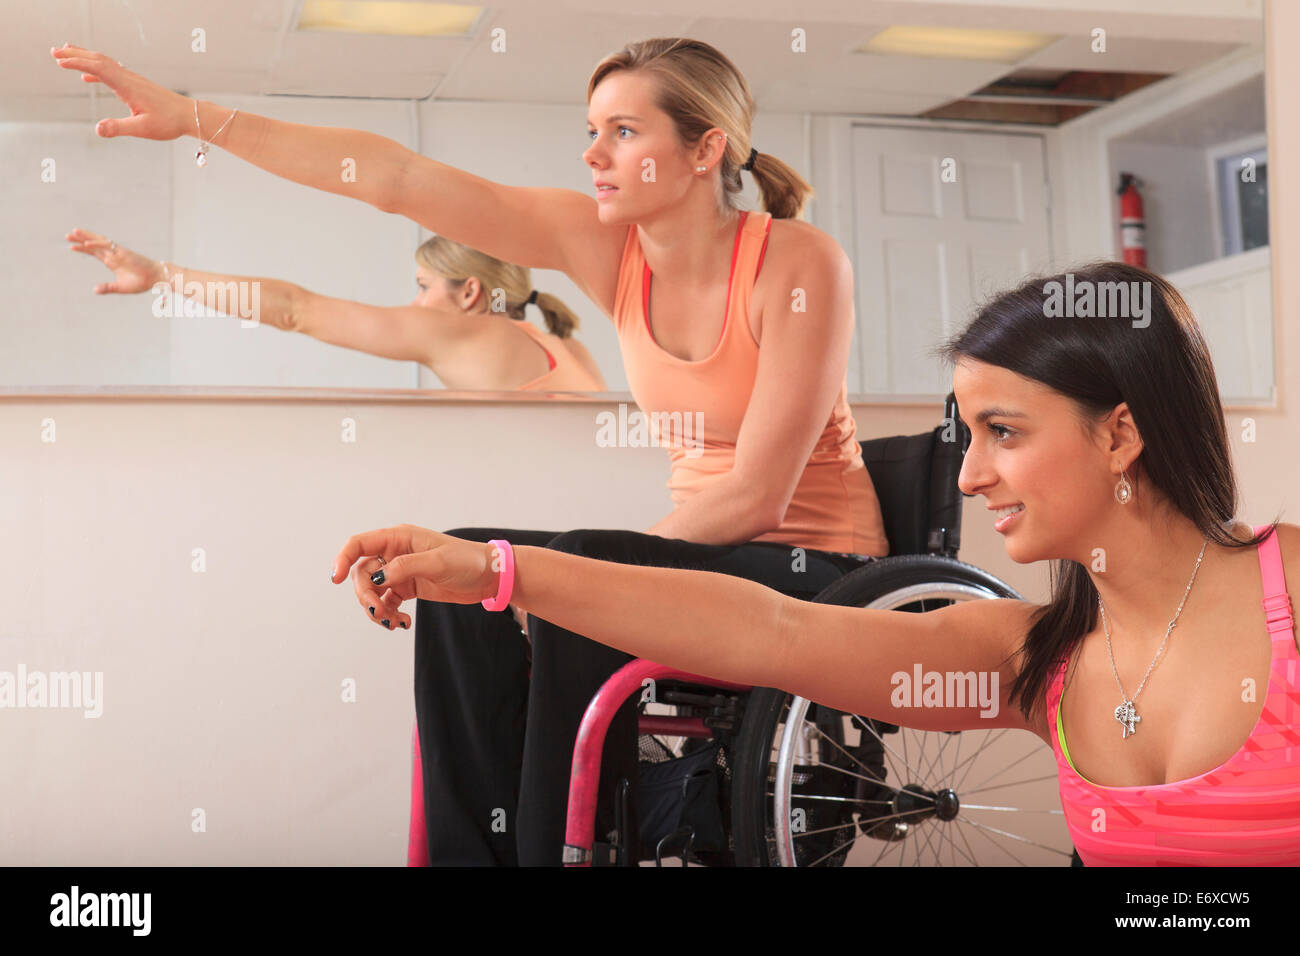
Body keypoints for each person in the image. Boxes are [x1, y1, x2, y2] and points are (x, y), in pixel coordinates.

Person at [52, 36, 893, 865]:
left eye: (624, 132)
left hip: (814, 571)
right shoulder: (605, 245)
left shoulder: (798, 262)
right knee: (464, 569)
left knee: (543, 569)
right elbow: (395, 180)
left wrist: (565, 578)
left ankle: (547, 851)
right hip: (707, 564)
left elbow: (758, 497)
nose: (593, 153)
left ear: (706, 148)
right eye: (593, 129)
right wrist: (196, 117)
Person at [334, 259, 1300, 867]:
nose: (969, 477)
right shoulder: (1033, 662)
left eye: (1004, 432)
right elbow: (771, 630)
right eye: (967, 435)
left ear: (1122, 433)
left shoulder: (1287, 591)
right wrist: (504, 571)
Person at [63, 227, 606, 392]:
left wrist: (161, 274)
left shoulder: (455, 333)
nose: (416, 304)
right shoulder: (568, 346)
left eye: (422, 286)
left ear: (468, 294)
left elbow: (296, 310)